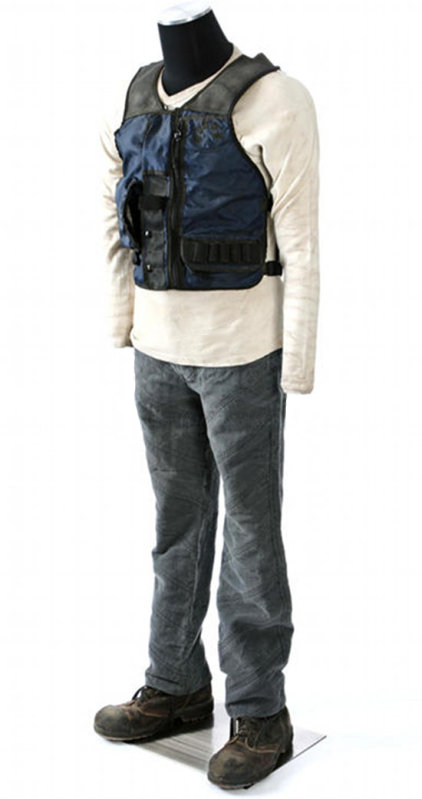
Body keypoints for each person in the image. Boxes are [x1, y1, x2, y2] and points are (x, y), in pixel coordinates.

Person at [94, 1, 320, 790]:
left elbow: (302, 242)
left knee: (252, 532)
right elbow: (112, 220)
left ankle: (261, 711)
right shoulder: (129, 96)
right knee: (175, 524)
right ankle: (177, 684)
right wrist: (123, 325)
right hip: (157, 351)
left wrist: (298, 363)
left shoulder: (278, 99)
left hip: (242, 353)